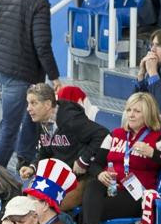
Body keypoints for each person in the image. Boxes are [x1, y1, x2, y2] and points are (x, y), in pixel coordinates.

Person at [0, 0, 60, 168]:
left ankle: (24, 158)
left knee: (32, 114)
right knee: (10, 127)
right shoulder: (39, 2)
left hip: (0, 67)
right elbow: (42, 44)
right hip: (20, 72)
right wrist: (54, 76)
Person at [85, 92, 161, 224]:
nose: (131, 115)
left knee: (91, 210)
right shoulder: (115, 134)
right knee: (93, 185)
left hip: (136, 195)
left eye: (137, 111)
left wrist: (153, 153)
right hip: (111, 188)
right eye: (129, 110)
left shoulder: (157, 139)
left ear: (148, 114)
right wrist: (100, 174)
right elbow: (95, 164)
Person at [18, 83, 108, 212]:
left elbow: (102, 133)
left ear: (48, 104)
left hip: (80, 177)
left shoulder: (71, 119)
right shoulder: (41, 120)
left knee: (46, 209)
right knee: (26, 204)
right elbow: (45, 152)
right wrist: (32, 167)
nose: (28, 108)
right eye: (28, 103)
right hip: (57, 175)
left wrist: (83, 160)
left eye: (33, 103)